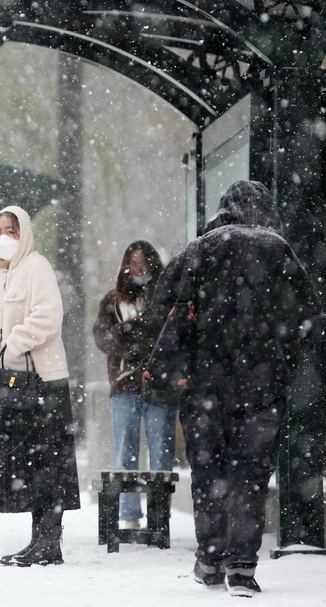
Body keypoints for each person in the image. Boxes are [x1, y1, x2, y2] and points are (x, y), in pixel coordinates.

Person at [148, 180, 320, 596]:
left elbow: (159, 305)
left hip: (205, 387)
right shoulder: (278, 248)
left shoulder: (203, 246)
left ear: (226, 209)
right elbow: (310, 314)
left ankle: (210, 559)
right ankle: (241, 567)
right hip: (261, 388)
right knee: (251, 475)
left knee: (210, 473)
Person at [0, 205, 80, 567]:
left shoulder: (36, 266)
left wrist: (13, 342)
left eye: (12, 230)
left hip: (44, 383)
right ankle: (40, 541)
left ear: (24, 234)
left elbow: (49, 315)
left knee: (49, 465)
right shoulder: (2, 274)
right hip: (18, 385)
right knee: (29, 464)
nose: (3, 238)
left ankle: (50, 542)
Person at [92, 240, 174, 530]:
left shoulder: (166, 298)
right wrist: (122, 335)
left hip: (160, 384)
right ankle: (129, 516)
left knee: (161, 452)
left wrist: (139, 335)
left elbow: (168, 334)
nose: (139, 270)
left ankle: (159, 516)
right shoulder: (113, 301)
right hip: (124, 384)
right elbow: (101, 337)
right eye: (134, 263)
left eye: (144, 263)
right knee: (125, 451)